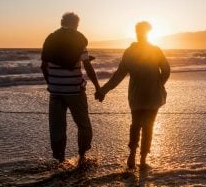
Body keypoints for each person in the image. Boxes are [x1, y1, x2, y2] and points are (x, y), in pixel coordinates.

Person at [96, 21, 170, 169]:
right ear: (148, 33)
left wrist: (103, 90)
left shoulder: (130, 52)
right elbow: (166, 71)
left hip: (136, 95)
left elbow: (118, 75)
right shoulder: (155, 50)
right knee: (148, 126)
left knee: (136, 124)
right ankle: (142, 160)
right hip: (153, 95)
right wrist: (158, 83)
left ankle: (132, 156)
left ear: (136, 32)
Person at [41, 12, 100, 164]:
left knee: (57, 127)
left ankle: (60, 160)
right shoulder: (79, 40)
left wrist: (51, 83)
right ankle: (82, 155)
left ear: (62, 22)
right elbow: (87, 67)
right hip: (75, 90)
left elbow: (44, 65)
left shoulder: (51, 39)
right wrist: (98, 87)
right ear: (76, 24)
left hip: (55, 92)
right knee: (83, 124)